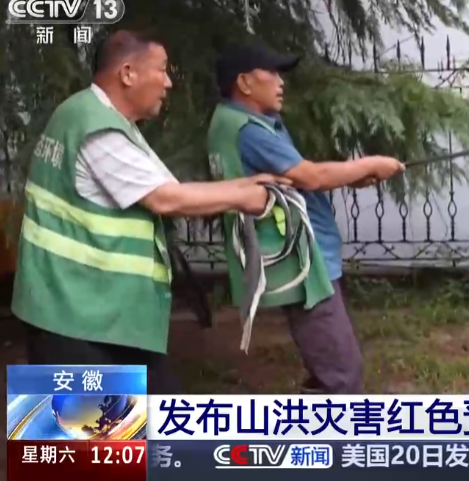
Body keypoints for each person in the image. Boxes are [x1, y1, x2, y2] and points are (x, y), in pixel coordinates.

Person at [11, 30, 285, 392]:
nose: (168, 82)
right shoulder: (98, 130)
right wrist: (245, 198)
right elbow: (166, 200)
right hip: (77, 313)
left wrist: (246, 185)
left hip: (93, 307)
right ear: (128, 73)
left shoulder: (93, 115)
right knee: (89, 428)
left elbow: (166, 187)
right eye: (162, 70)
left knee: (144, 414)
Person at [206, 41, 405, 393]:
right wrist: (371, 163)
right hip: (300, 261)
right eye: (272, 73)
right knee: (342, 374)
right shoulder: (248, 129)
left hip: (298, 258)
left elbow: (294, 178)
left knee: (328, 367)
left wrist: (352, 176)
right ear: (245, 82)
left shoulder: (239, 122)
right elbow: (310, 176)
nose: (281, 82)